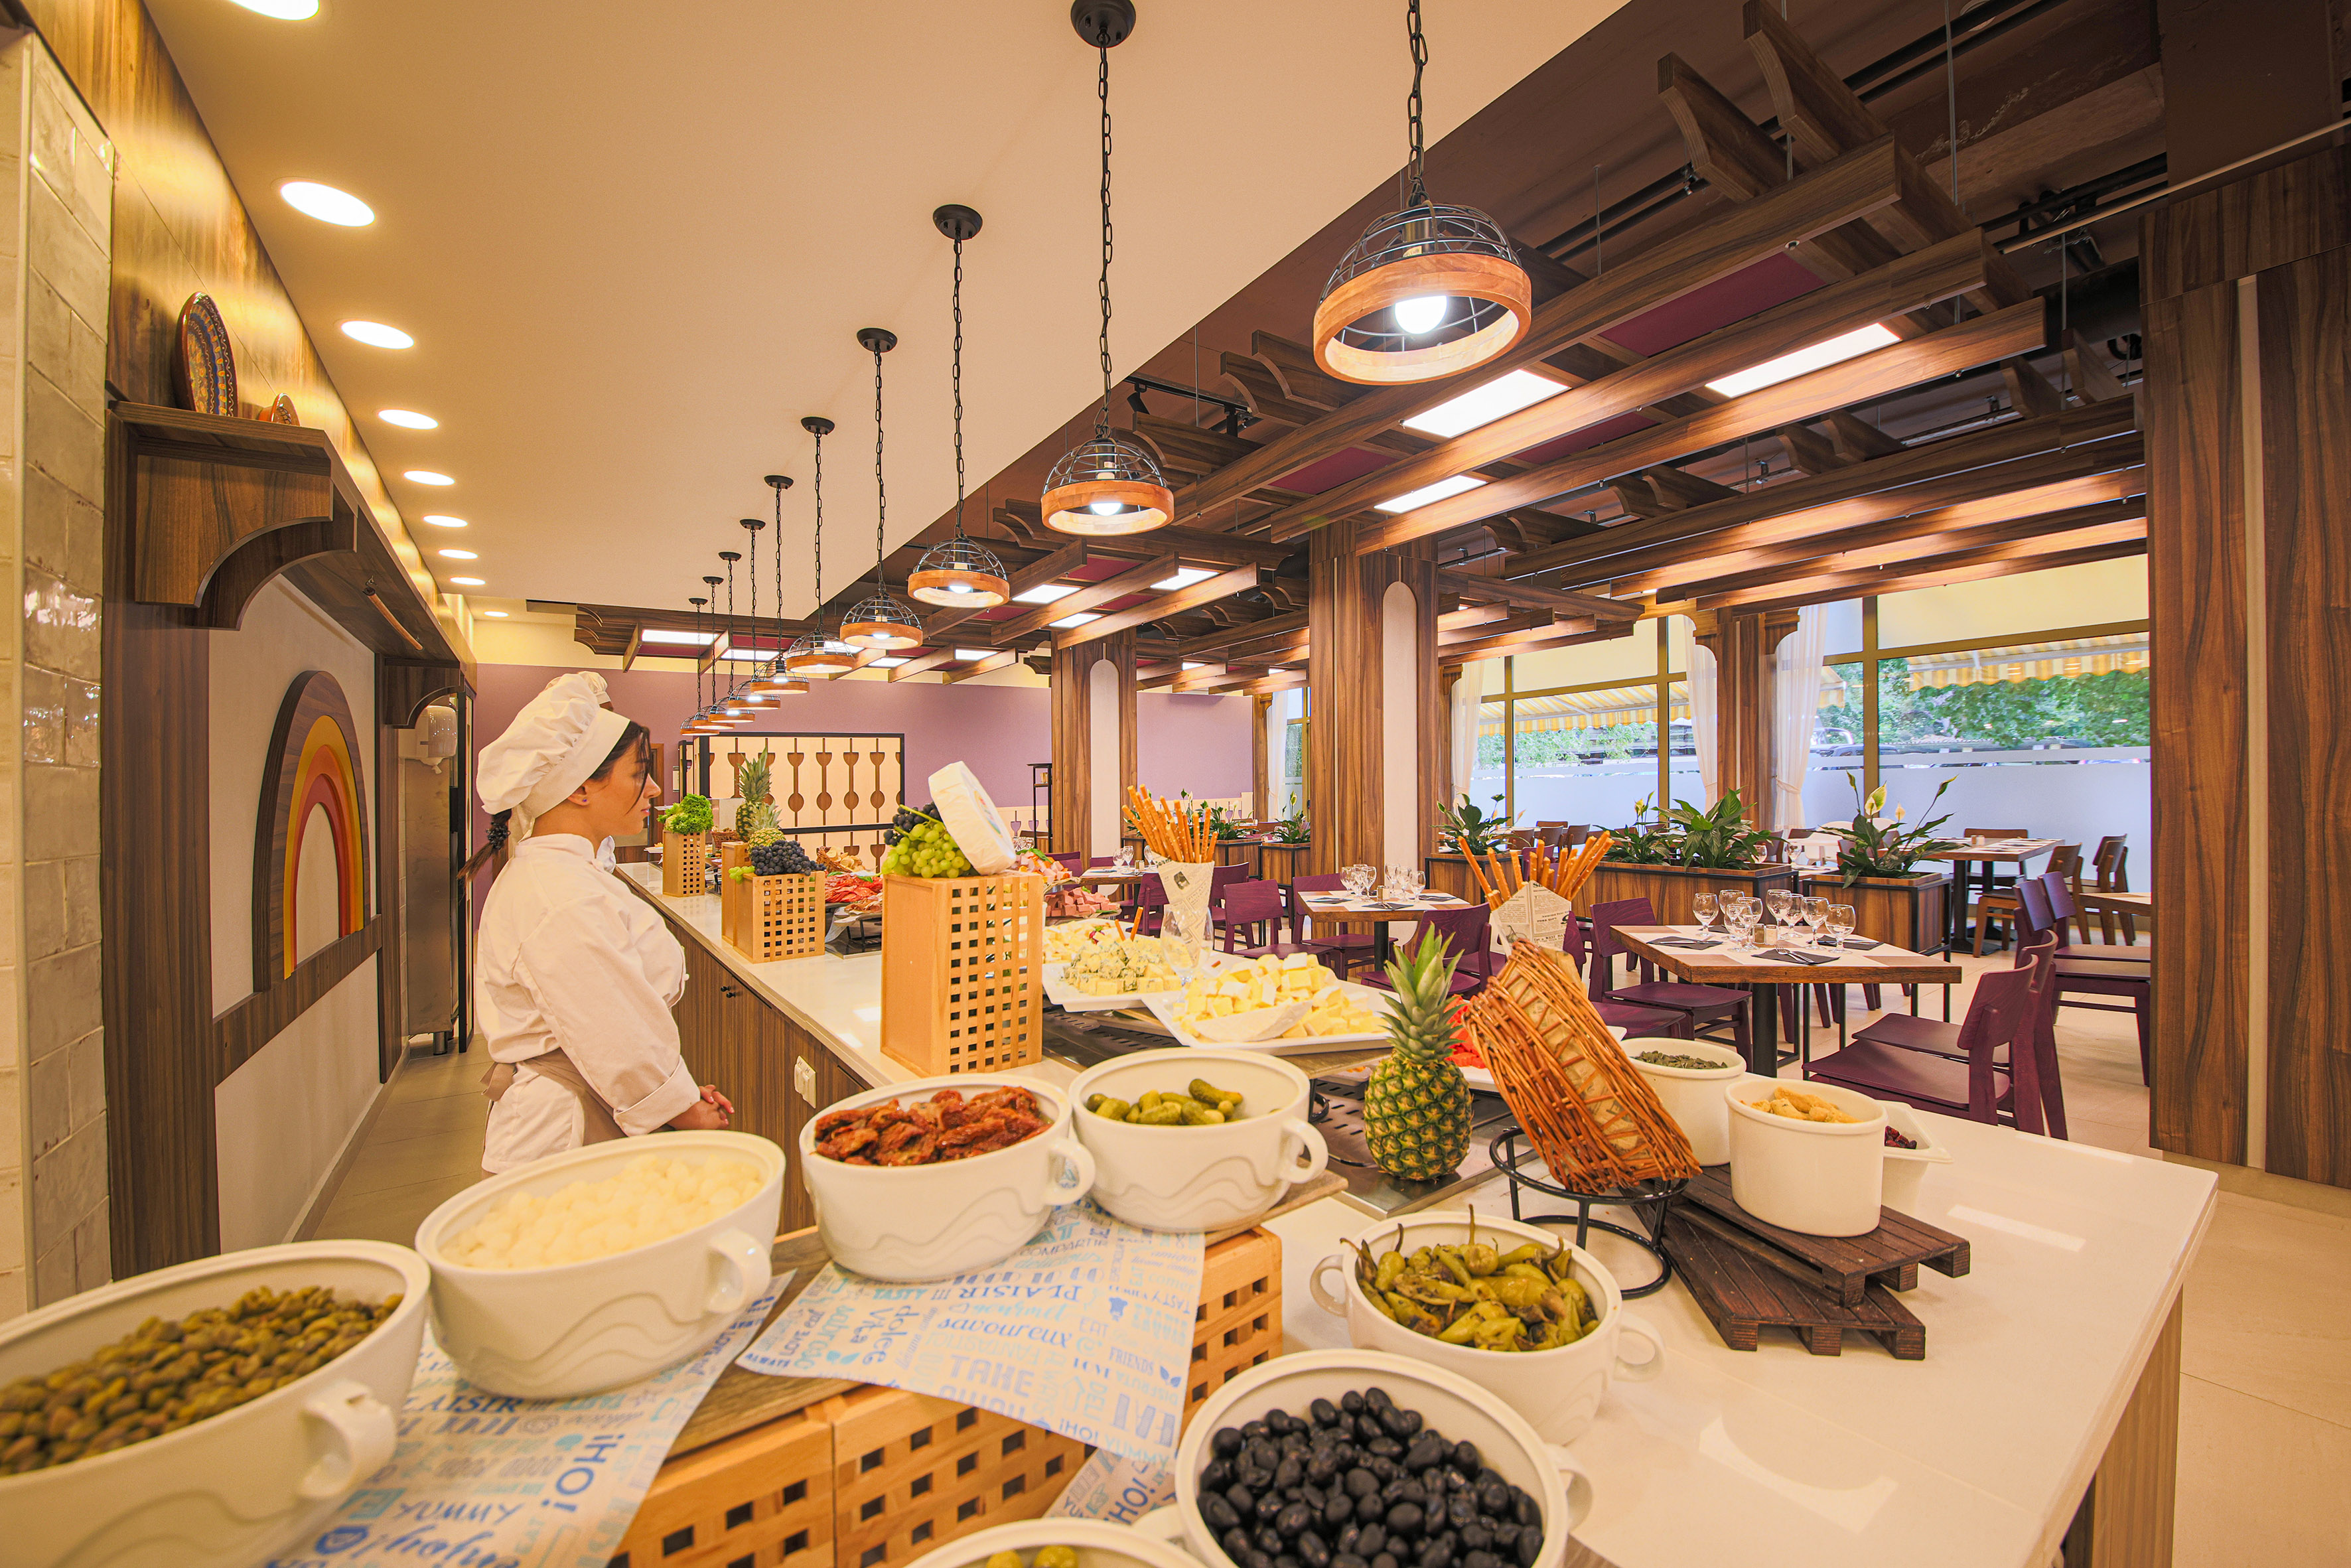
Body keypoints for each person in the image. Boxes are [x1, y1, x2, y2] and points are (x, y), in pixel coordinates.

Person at [472, 672, 732, 1175]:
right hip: (562, 1128)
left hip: (587, 1097)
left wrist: (671, 1087)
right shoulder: (558, 893)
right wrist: (682, 1106)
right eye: (639, 773)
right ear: (581, 788)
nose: (655, 789)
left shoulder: (565, 874)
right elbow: (611, 1029)